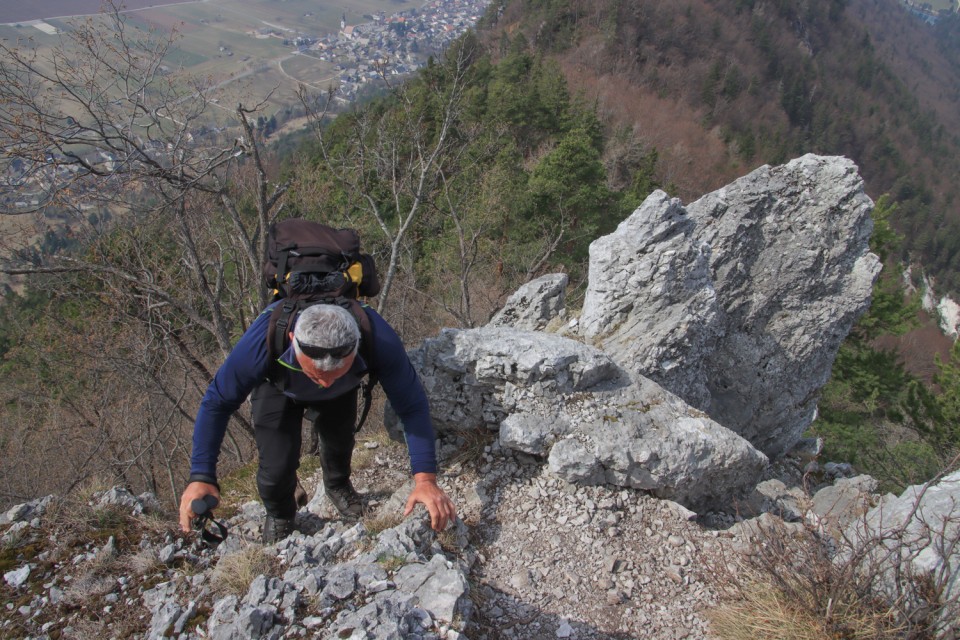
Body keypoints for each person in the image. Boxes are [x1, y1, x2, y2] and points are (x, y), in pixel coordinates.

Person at [178, 302, 457, 543]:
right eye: (315, 373)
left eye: (334, 371)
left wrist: (426, 480)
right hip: (277, 386)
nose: (323, 381)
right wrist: (201, 476)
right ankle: (280, 514)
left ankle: (337, 486)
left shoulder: (378, 338)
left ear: (356, 344)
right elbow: (217, 402)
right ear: (291, 339)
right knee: (276, 466)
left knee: (339, 441)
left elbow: (412, 405)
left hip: (342, 391)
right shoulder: (261, 342)